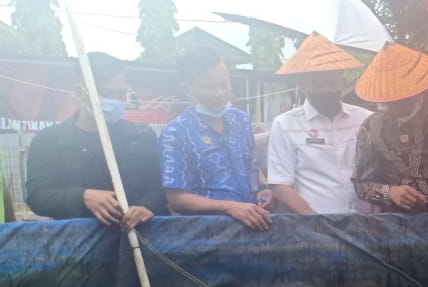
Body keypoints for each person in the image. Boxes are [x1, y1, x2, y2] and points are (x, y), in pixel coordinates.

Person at [25, 52, 165, 229]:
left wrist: (149, 206)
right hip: (78, 245)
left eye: (121, 94)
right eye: (107, 93)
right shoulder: (49, 141)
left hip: (139, 241)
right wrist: (83, 197)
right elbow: (37, 197)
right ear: (80, 92)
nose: (115, 100)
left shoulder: (141, 136)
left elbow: (159, 187)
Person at [159, 46, 271, 231]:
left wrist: (264, 189)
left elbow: (252, 165)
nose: (219, 93)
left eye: (224, 84)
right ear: (187, 89)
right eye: (210, 87)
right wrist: (230, 208)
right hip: (208, 234)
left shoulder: (241, 120)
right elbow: (176, 199)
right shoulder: (175, 133)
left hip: (254, 226)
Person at [351, 43, 428, 213]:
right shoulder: (373, 127)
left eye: (401, 95)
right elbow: (362, 183)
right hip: (400, 228)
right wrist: (389, 192)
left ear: (416, 86)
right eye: (388, 97)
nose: (394, 103)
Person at [266, 33, 371, 214]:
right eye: (318, 86)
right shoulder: (285, 124)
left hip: (364, 224)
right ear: (303, 85)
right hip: (314, 226)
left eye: (332, 84)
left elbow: (379, 175)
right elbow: (281, 186)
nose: (327, 91)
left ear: (343, 82)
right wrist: (318, 224)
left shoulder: (365, 119)